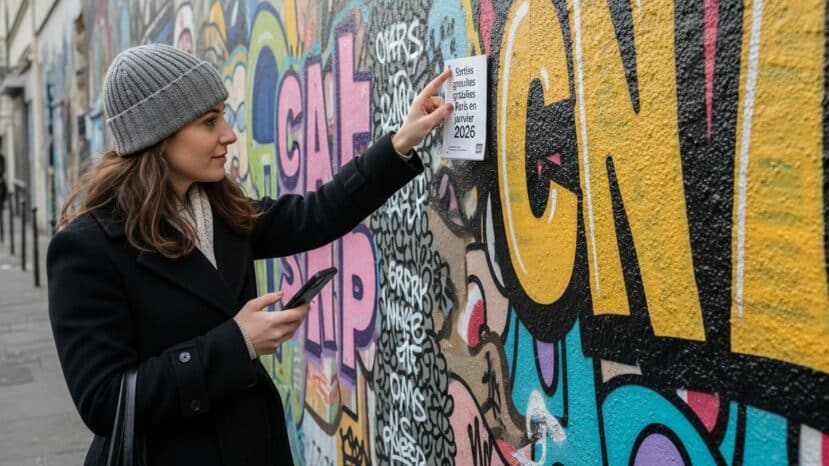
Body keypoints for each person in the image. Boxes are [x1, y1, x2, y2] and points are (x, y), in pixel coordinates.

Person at [46, 43, 453, 465]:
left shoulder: (217, 209)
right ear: (159, 136)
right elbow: (105, 401)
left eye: (223, 116)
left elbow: (316, 216)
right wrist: (237, 343)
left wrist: (401, 141)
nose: (229, 134)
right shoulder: (86, 249)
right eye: (209, 122)